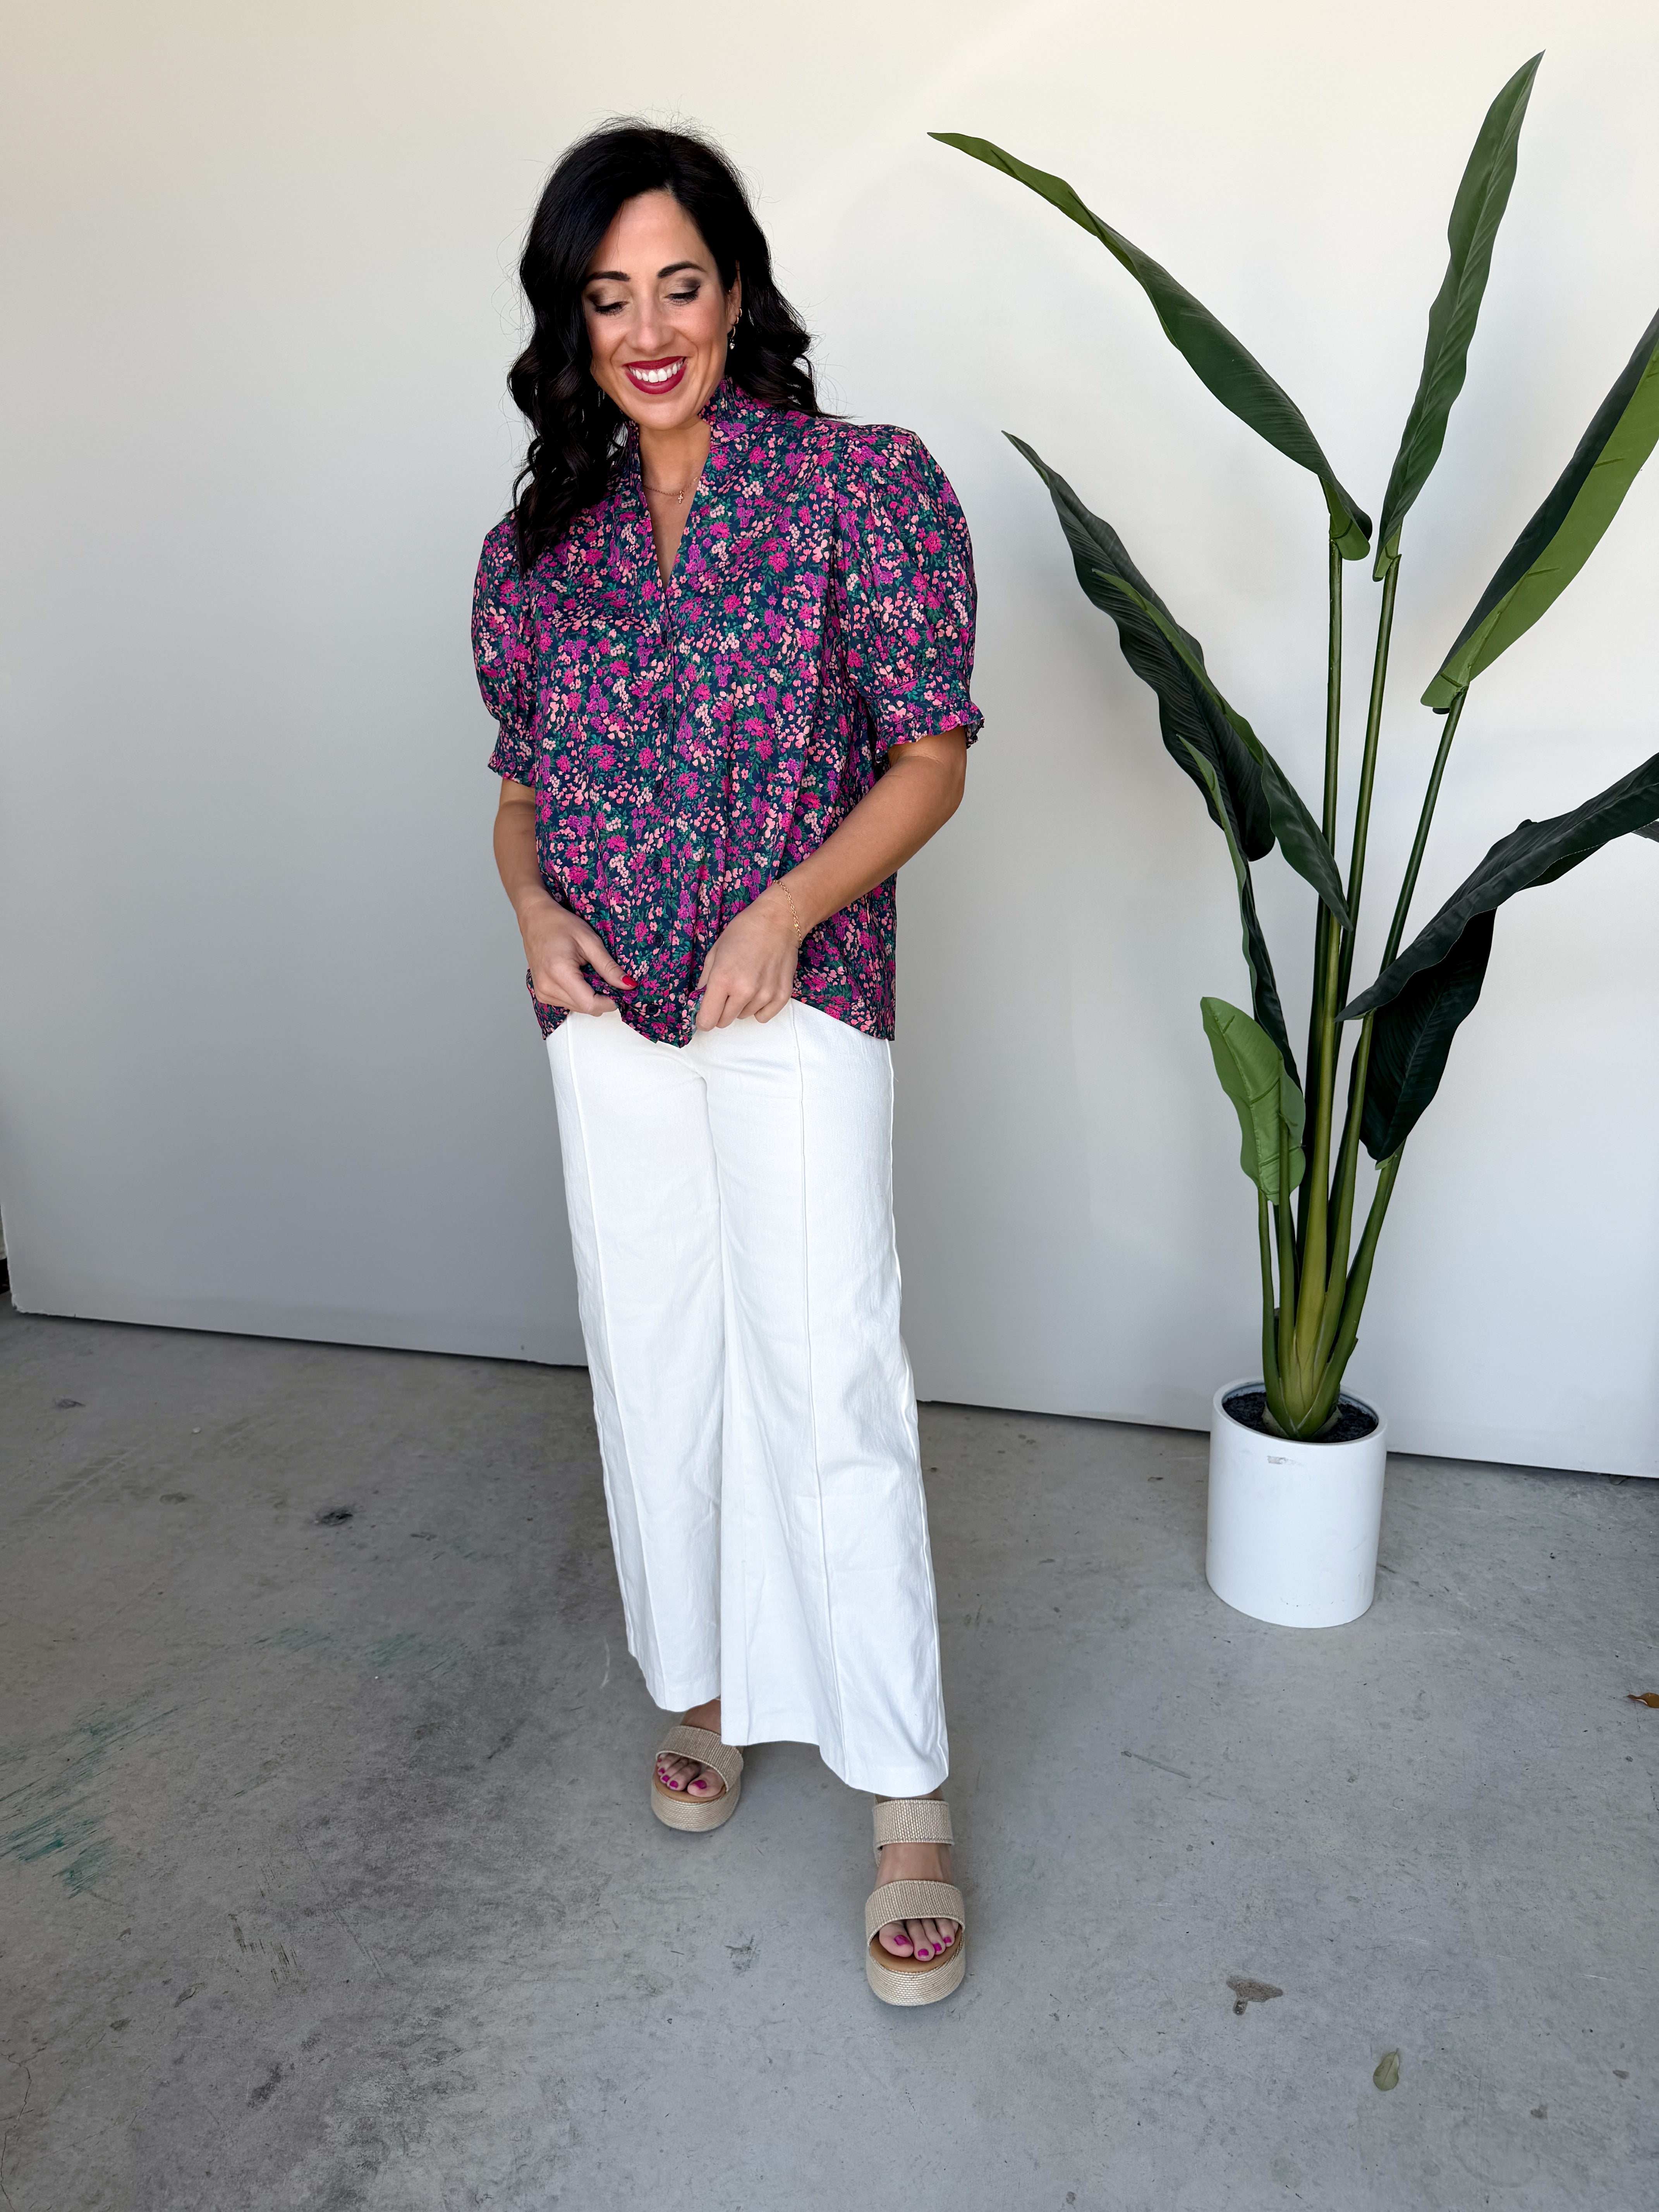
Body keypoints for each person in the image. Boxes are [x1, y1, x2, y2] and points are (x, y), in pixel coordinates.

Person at [474, 121, 981, 2007]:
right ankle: (700, 1682)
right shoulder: (540, 551)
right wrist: (534, 916)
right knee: (657, 1362)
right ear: (572, 325)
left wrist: (784, 911)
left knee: (826, 1371)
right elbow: (518, 792)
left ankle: (906, 1791)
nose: (648, 331)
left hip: (797, 997)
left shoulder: (863, 488)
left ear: (737, 290)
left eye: (677, 286)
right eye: (608, 299)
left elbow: (930, 754)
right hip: (610, 1019)